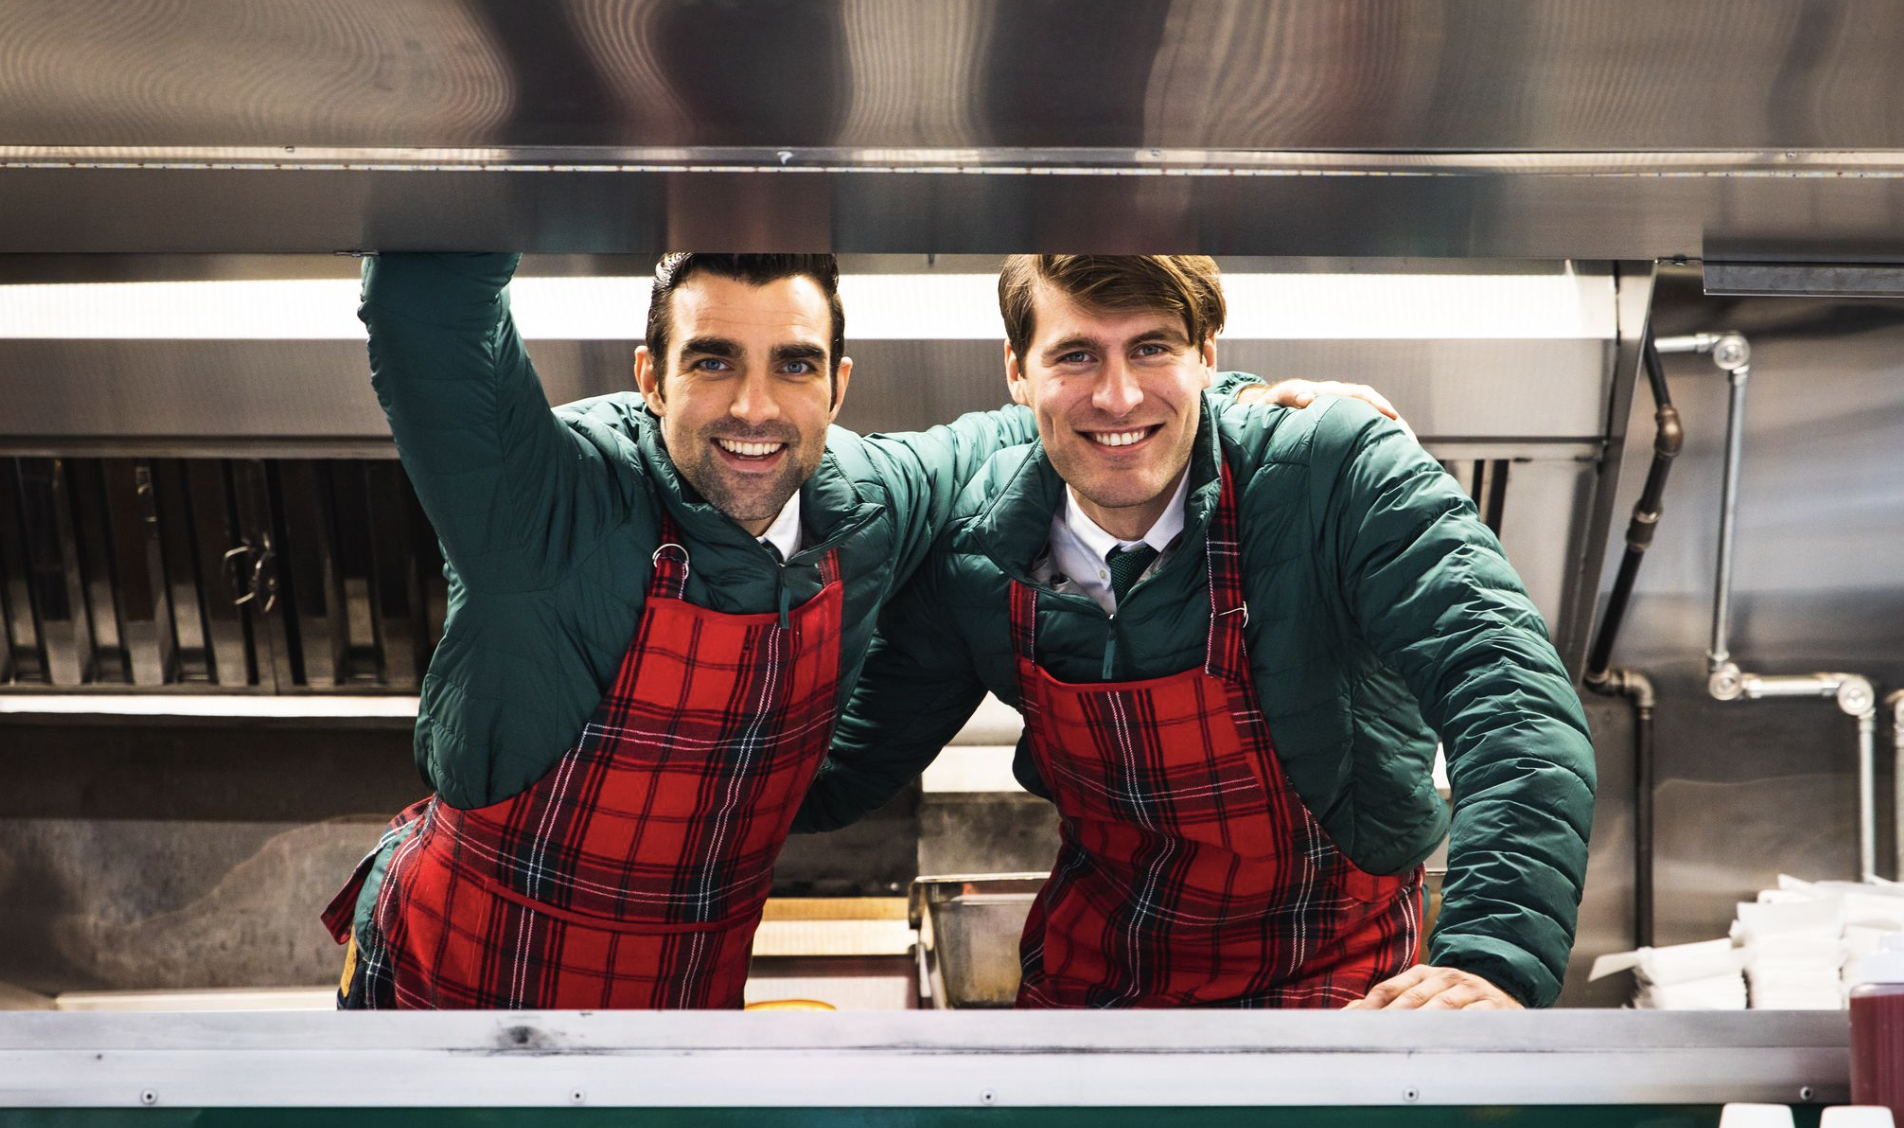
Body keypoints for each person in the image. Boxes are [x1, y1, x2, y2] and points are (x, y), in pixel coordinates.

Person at [320, 251, 1370, 1010]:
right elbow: (427, 304)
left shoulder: (870, 496)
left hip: (683, 1010)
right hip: (449, 990)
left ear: (837, 386)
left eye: (794, 364)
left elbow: (1069, 412)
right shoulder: (545, 501)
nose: (754, 407)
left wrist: (1273, 421)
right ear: (651, 378)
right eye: (711, 361)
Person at [795, 254, 1595, 1010]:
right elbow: (843, 771)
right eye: (1075, 355)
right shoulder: (977, 544)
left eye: (1151, 349)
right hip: (1094, 987)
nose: (1117, 397)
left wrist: (1489, 958)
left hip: (1335, 980)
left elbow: (1511, 703)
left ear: (1206, 354)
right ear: (1016, 370)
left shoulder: (1336, 472)